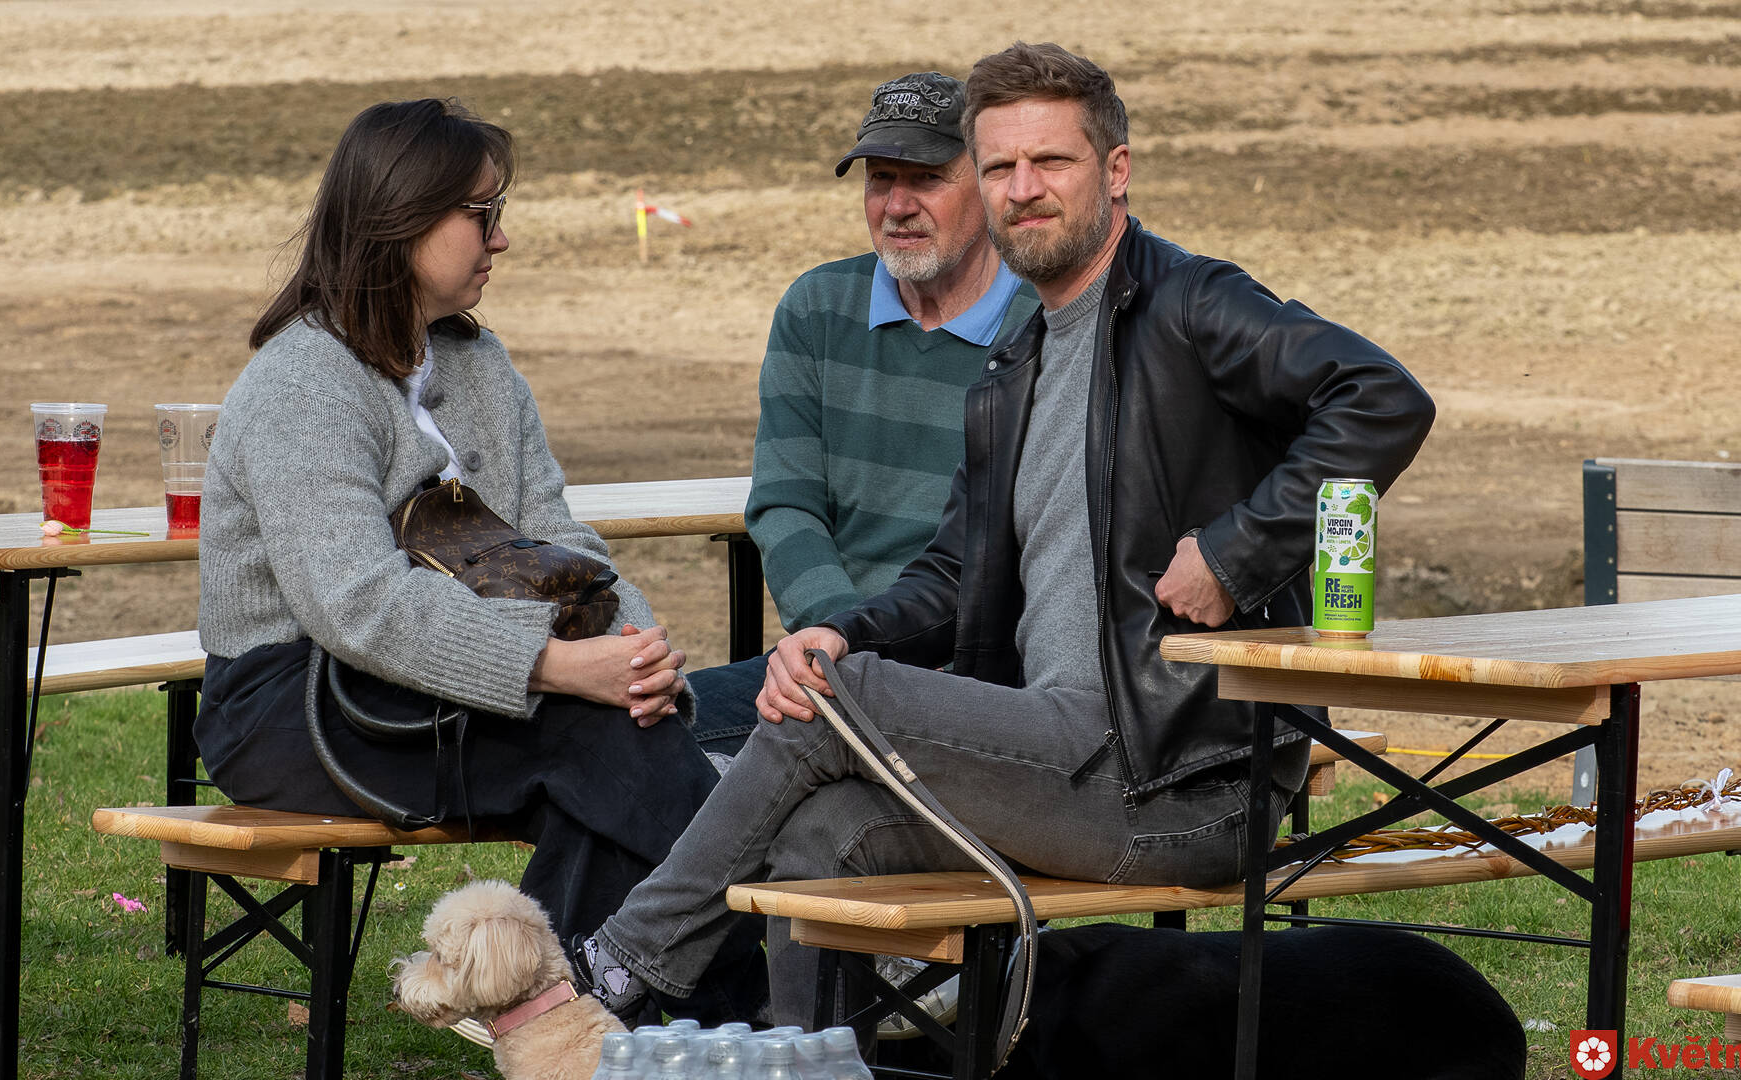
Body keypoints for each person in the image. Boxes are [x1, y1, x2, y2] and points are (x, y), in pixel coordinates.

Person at [565, 41, 1436, 1030]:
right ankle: (821, 1058)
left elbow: (1381, 398)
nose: (1023, 189)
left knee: (839, 700)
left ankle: (617, 972)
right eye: (1000, 167)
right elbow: (953, 573)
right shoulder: (1016, 363)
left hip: (1189, 780)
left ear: (1115, 170)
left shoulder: (1192, 304)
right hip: (1057, 754)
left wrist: (1237, 554)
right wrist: (842, 630)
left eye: (1051, 161)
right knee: (824, 828)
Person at [193, 98, 764, 1024]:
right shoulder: (302, 384)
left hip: (429, 681)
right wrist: (560, 668)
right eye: (483, 214)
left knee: (616, 756)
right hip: (287, 702)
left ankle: (584, 1026)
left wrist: (633, 652)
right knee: (599, 743)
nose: (501, 239)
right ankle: (748, 1017)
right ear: (403, 219)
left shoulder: (479, 363)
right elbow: (359, 606)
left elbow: (564, 546)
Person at [684, 72, 1038, 759]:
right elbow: (786, 505)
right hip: (833, 657)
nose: (897, 206)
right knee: (637, 735)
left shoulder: (1044, 322)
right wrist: (840, 641)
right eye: (880, 179)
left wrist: (868, 652)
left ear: (988, 183)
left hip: (981, 679)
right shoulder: (817, 308)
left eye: (926, 178)